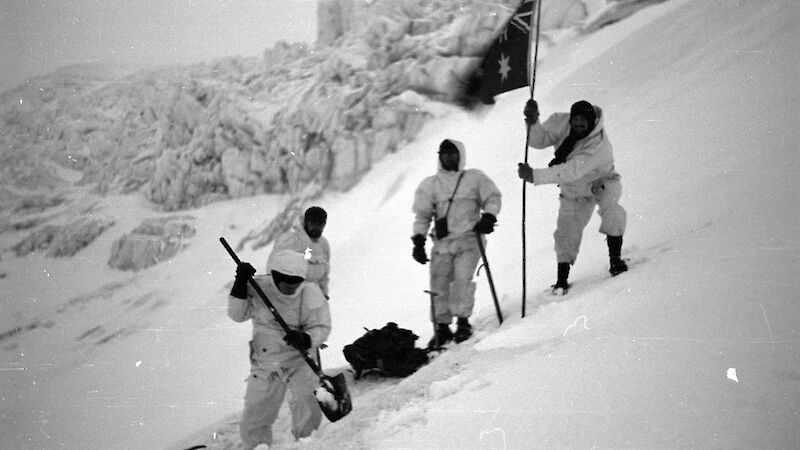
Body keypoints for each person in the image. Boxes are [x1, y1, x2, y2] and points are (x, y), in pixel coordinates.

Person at [517, 99, 628, 295]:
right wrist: (533, 122)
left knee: (612, 212)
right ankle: (562, 280)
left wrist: (534, 175)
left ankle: (615, 260)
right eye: (575, 119)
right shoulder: (562, 122)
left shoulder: (598, 145)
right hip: (575, 189)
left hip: (601, 182)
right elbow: (539, 140)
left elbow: (571, 170)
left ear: (591, 121)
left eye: (582, 120)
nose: (577, 124)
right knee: (566, 230)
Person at [227, 249, 331, 449]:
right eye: (285, 285)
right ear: (274, 276)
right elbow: (237, 314)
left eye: (295, 285)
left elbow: (322, 326)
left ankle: (306, 445)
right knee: (256, 415)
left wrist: (306, 338)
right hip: (268, 362)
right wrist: (240, 282)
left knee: (307, 405)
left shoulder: (309, 292)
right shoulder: (258, 287)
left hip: (300, 359)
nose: (290, 290)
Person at [411, 139, 502, 347]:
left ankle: (463, 323)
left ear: (460, 155)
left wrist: (488, 216)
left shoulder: (475, 178)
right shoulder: (430, 185)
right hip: (442, 243)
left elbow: (493, 198)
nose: (448, 157)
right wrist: (418, 240)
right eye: (444, 153)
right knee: (439, 283)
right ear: (439, 156)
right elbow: (422, 216)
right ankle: (442, 327)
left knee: (462, 280)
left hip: (470, 239)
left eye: (452, 154)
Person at [271, 206, 330, 299]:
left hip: (313, 301)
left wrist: (324, 294)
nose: (317, 227)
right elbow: (273, 268)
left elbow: (324, 274)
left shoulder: (324, 245)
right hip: (292, 299)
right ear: (305, 222)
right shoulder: (289, 240)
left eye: (321, 224)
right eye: (313, 223)